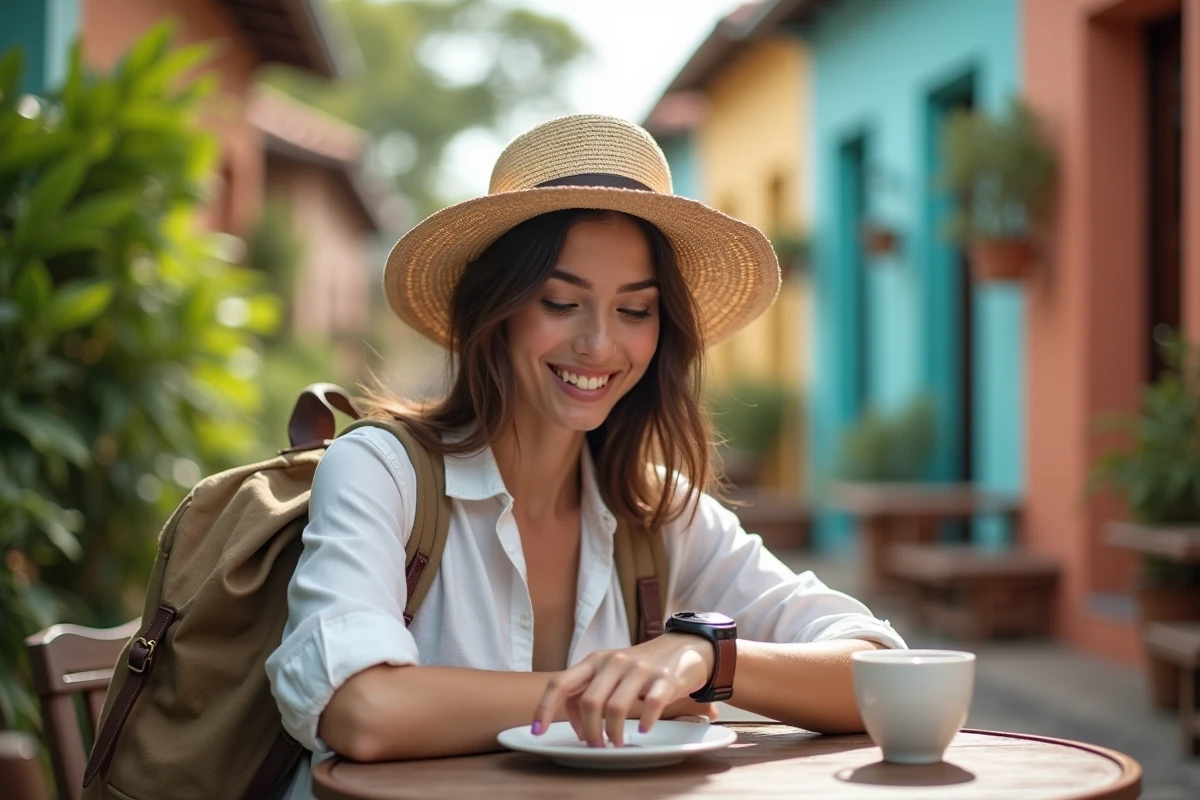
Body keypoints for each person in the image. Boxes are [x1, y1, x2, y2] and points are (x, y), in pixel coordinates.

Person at [266, 114, 905, 798]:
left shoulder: (657, 508)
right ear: (497, 309)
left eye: (635, 311)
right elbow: (360, 710)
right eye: (561, 301)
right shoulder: (380, 472)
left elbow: (883, 677)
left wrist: (701, 657)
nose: (599, 345)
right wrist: (613, 693)